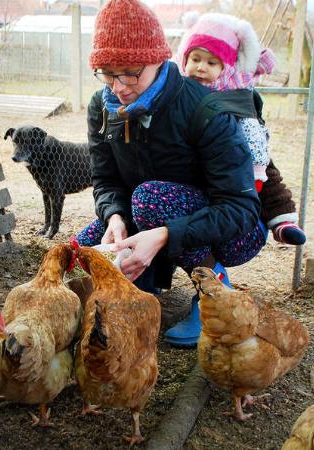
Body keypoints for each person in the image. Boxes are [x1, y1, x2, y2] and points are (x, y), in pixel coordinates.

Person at [75, 0, 266, 347]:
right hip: (147, 212)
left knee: (149, 199)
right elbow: (105, 180)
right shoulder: (102, 107)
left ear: (158, 59)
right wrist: (114, 216)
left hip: (232, 229)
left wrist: (163, 236)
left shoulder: (207, 110)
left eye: (131, 72)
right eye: (106, 72)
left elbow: (242, 208)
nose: (118, 86)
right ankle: (146, 280)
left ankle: (213, 285)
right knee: (80, 253)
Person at [176, 12, 307, 246]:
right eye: (195, 59)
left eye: (211, 62)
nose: (200, 68)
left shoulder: (235, 86)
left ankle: (282, 220)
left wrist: (257, 166)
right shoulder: (180, 88)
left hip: (241, 152)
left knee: (269, 176)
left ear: (226, 66)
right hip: (201, 158)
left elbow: (251, 125)